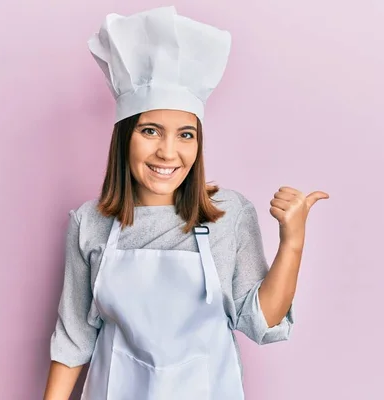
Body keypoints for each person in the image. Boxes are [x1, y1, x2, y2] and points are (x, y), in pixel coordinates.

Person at [44, 6, 329, 400]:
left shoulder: (230, 213)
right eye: (150, 131)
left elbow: (262, 321)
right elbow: (74, 339)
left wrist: (292, 241)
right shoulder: (89, 223)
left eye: (185, 135)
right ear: (124, 137)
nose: (168, 152)